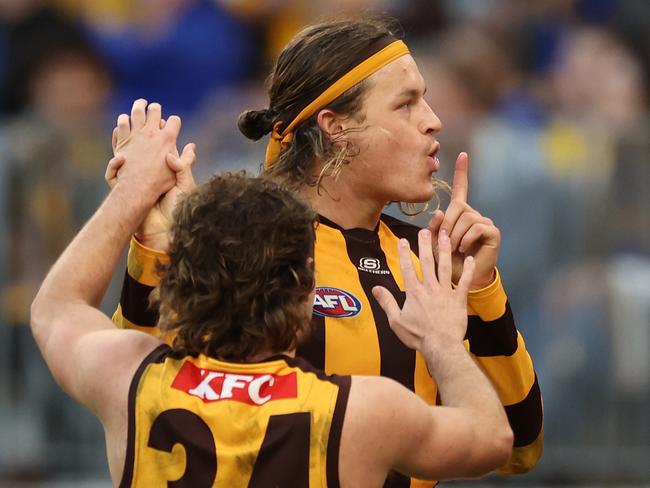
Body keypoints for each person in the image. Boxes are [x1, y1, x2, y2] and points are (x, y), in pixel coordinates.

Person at [110, 17, 543, 485]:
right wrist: (155, 248)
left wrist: (478, 290)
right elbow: (141, 392)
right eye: (406, 104)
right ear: (335, 127)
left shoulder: (431, 260)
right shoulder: (244, 244)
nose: (433, 119)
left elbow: (517, 446)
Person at [30, 104, 513, 487]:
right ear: (306, 286)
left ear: (178, 280)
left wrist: (133, 193)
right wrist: (444, 343)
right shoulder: (362, 413)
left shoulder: (129, 379)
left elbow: (57, 307)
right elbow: (494, 439)